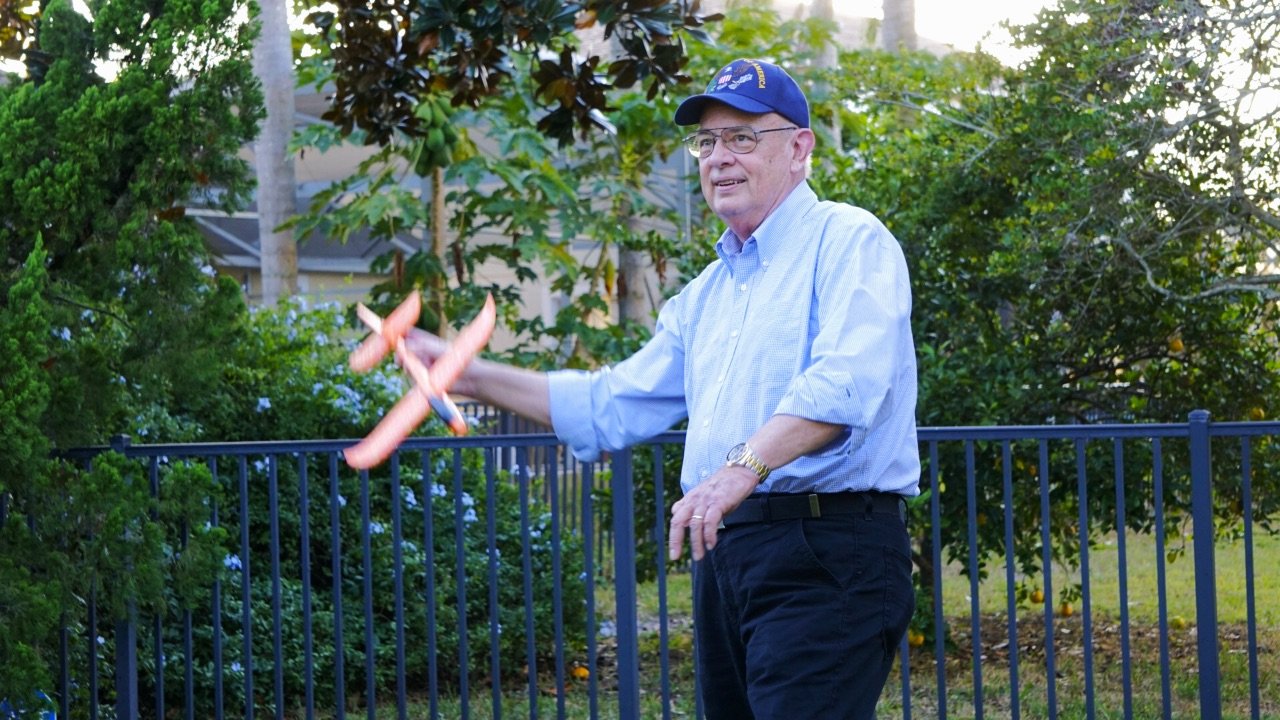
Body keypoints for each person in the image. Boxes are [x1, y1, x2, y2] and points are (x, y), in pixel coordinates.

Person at [407, 58, 919, 719]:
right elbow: (610, 405)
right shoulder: (704, 297)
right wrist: (463, 371)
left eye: (742, 137)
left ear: (799, 148)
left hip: (827, 552)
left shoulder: (849, 239)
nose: (718, 158)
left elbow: (846, 384)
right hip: (728, 558)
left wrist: (742, 468)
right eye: (706, 142)